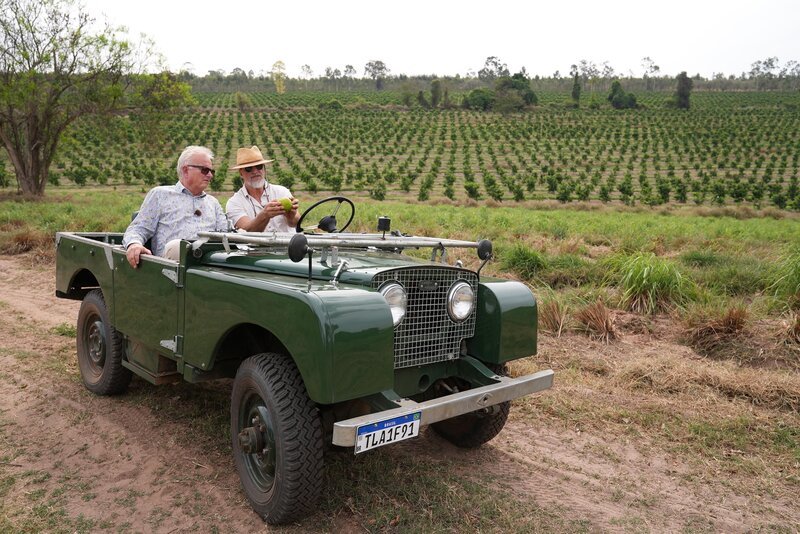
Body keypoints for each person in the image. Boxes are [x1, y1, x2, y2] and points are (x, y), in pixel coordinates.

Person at [123, 145, 228, 268]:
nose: (210, 175)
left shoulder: (213, 203)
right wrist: (134, 244)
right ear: (185, 170)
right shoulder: (160, 195)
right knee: (177, 247)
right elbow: (138, 228)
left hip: (206, 266)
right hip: (171, 269)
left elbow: (225, 236)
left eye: (212, 171)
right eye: (205, 170)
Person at [226, 145, 300, 232]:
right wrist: (265, 215)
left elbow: (295, 223)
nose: (255, 171)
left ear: (264, 169)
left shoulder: (281, 192)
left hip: (287, 245)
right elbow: (246, 231)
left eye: (259, 166)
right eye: (249, 168)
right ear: (241, 173)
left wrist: (291, 215)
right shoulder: (234, 202)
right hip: (254, 246)